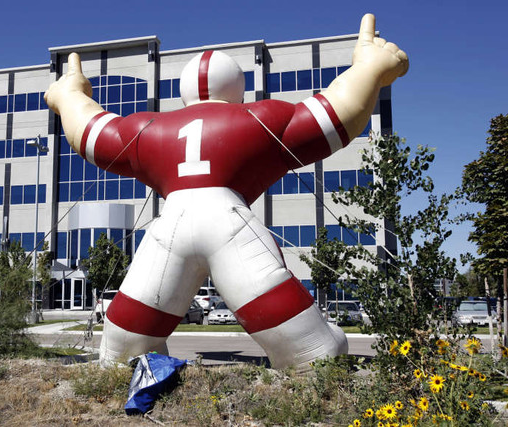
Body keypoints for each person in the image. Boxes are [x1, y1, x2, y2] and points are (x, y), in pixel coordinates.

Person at [45, 14, 408, 369]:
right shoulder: (262, 118)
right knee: (310, 353)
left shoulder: (148, 127)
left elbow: (92, 133)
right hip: (228, 224)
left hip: (170, 227)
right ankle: (320, 352)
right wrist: (368, 68)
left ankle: (131, 366)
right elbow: (336, 115)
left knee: (122, 351)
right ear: (238, 88)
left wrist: (69, 95)